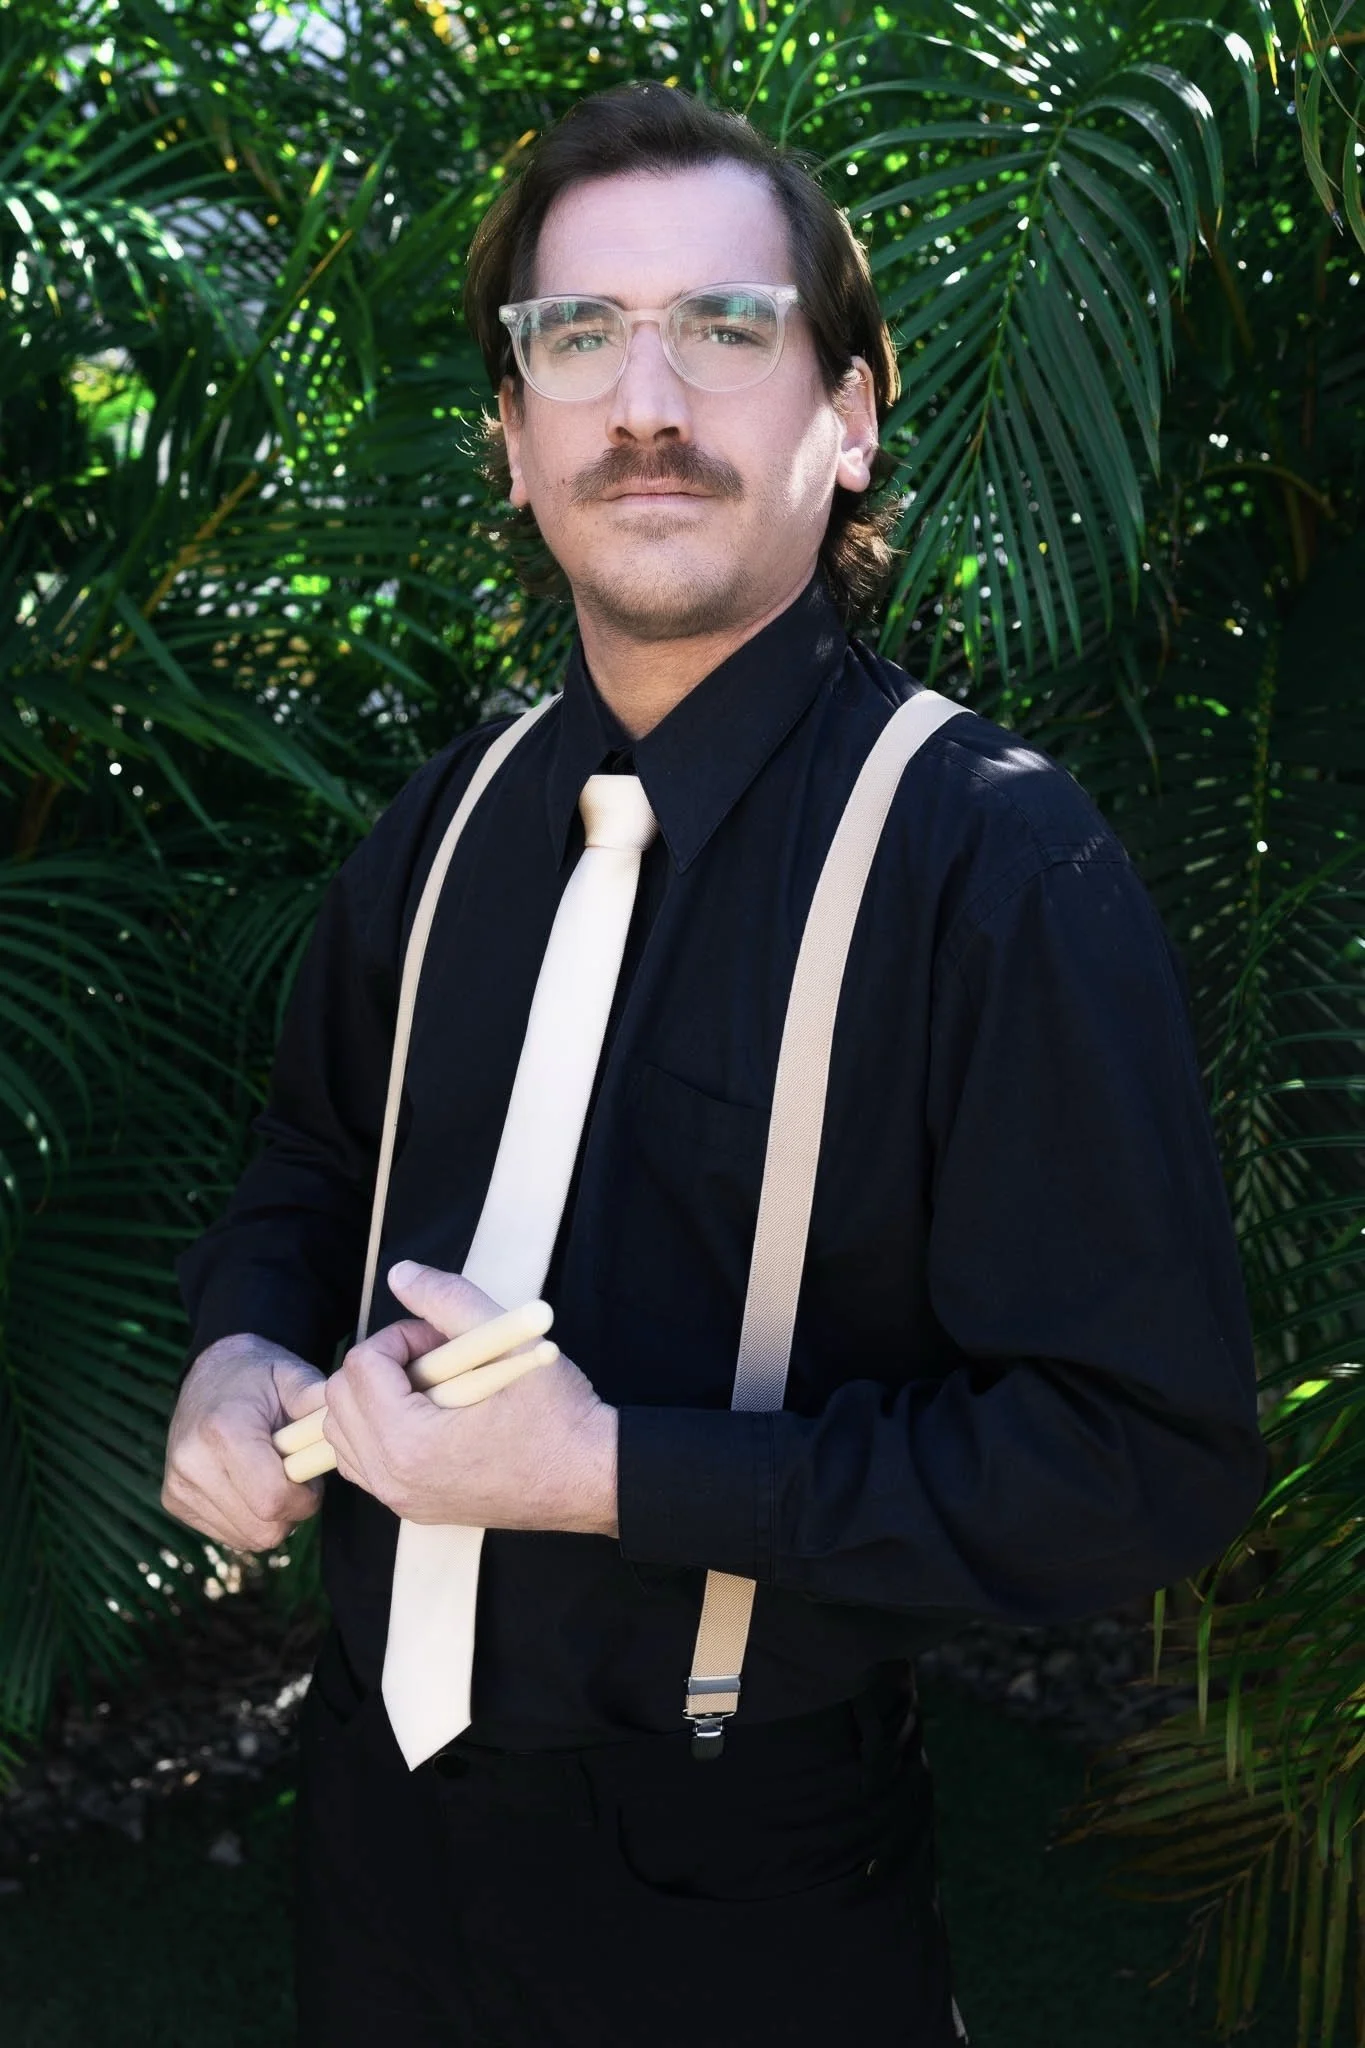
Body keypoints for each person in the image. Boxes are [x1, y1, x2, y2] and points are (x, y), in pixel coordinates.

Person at [164, 81, 1267, 2048]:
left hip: (739, 1886)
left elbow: (1138, 1461)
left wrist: (611, 1474)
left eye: (726, 328)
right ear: (515, 442)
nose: (645, 401)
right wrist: (241, 1348)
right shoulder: (441, 830)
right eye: (578, 337)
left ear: (849, 415)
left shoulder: (994, 865)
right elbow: (312, 1163)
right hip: (375, 1836)